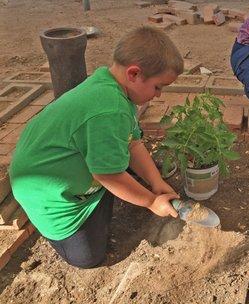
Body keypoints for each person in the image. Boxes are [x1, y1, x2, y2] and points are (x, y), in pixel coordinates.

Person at [9, 26, 183, 269]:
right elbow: (107, 174)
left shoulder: (113, 86)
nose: (159, 95)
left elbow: (132, 143)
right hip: (50, 198)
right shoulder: (109, 110)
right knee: (87, 258)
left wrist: (156, 183)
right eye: (158, 87)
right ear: (133, 74)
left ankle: (106, 193)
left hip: (63, 173)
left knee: (120, 170)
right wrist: (151, 202)